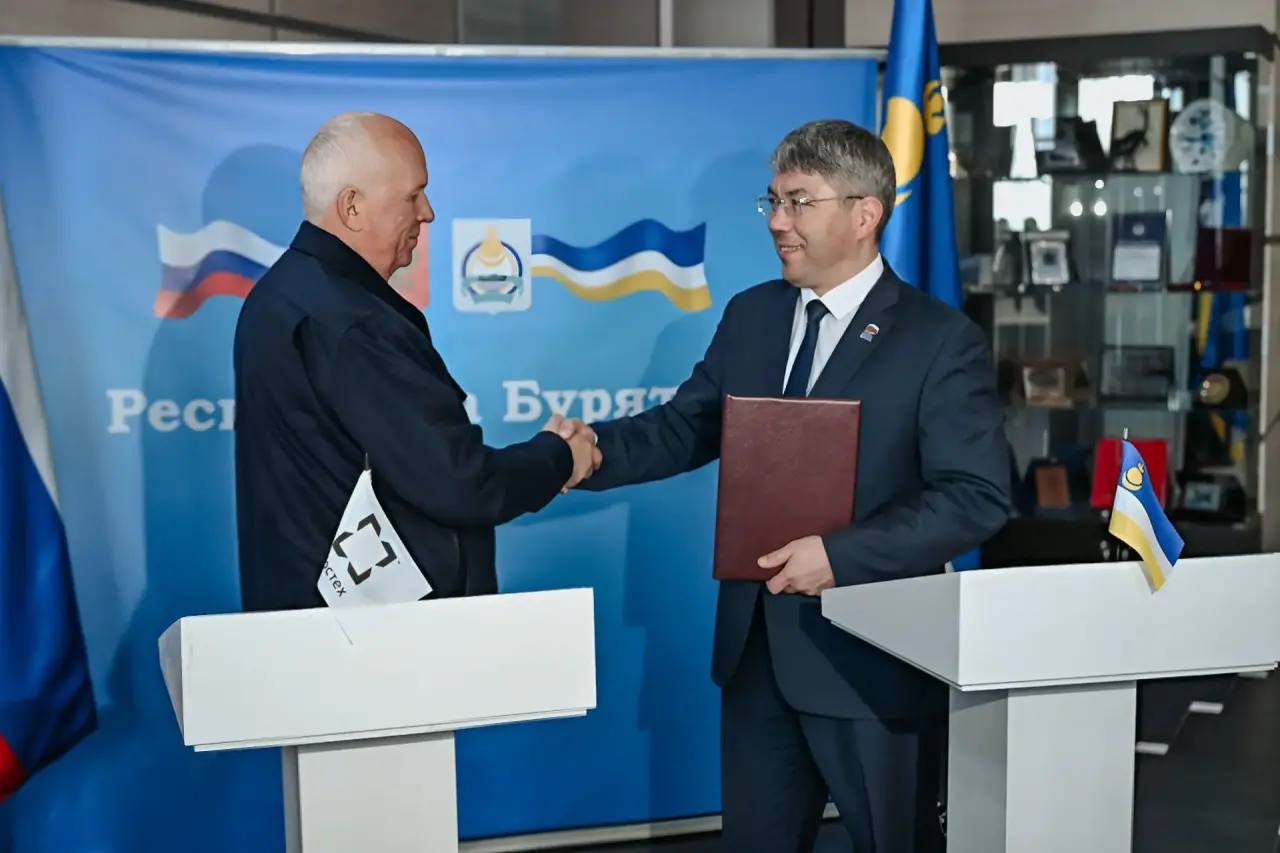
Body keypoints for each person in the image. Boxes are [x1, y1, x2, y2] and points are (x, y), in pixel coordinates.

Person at [557, 119, 1011, 852]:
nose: (776, 221)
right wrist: (588, 455)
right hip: (756, 657)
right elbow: (685, 428)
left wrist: (840, 555)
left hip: (873, 661)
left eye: (799, 202)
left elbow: (975, 495)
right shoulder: (754, 315)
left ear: (865, 214)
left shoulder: (938, 340)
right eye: (772, 201)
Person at [234, 112, 597, 612]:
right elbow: (460, 483)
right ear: (352, 206)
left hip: (320, 625)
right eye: (413, 195)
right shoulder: (349, 321)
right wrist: (558, 457)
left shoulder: (282, 294)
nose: (428, 213)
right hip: (379, 637)